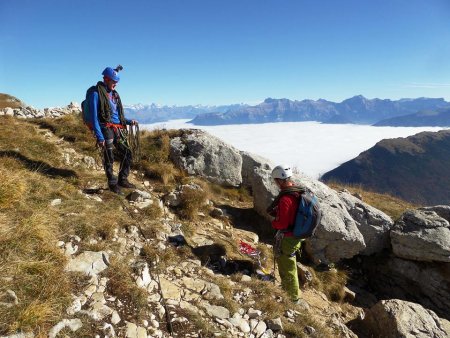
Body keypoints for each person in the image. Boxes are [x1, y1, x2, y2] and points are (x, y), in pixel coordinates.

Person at [87, 66, 138, 194]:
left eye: (116, 82)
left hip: (117, 128)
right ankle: (112, 184)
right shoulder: (95, 93)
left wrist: (128, 121)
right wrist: (99, 136)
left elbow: (117, 116)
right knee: (108, 157)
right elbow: (94, 118)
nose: (116, 84)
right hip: (105, 128)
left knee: (127, 153)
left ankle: (123, 179)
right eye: (113, 81)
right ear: (106, 79)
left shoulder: (114, 94)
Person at [266, 164, 305, 303]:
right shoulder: (297, 191)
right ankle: (287, 289)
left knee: (287, 265)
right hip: (297, 235)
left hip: (288, 237)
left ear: (280, 180)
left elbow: (282, 224)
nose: (275, 183)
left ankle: (293, 299)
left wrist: (273, 223)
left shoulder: (285, 198)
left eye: (276, 180)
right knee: (289, 263)